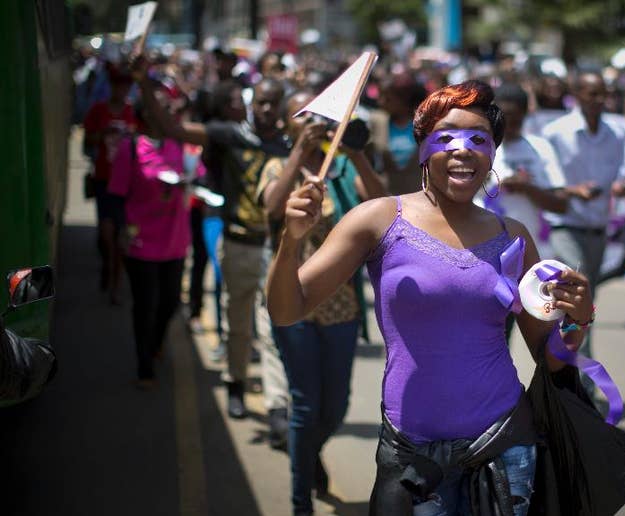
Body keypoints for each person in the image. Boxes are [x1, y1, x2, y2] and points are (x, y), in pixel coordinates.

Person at [266, 80, 595, 515]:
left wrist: (577, 320)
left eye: (479, 139)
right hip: (411, 455)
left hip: (503, 447)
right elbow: (286, 310)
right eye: (447, 138)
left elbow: (547, 356)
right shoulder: (378, 219)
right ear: (423, 147)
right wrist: (290, 242)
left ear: (493, 154)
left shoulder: (512, 237)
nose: (463, 150)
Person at [131, 56, 290, 421]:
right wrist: (143, 82)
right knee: (237, 327)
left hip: (273, 251)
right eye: (261, 102)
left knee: (271, 331)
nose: (266, 109)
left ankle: (277, 405)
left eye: (273, 103)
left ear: (280, 108)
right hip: (236, 246)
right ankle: (235, 384)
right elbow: (173, 129)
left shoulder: (287, 147)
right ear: (253, 104)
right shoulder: (229, 135)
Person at [257, 91, 386, 512]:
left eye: (319, 115)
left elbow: (383, 207)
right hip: (292, 301)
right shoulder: (279, 165)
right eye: (303, 115)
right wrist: (300, 151)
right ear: (290, 124)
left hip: (341, 306)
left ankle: (307, 456)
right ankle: (300, 502)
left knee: (336, 406)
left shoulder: (345, 167)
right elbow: (272, 209)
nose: (312, 121)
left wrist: (356, 152)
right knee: (306, 404)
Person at [108, 82, 204, 387]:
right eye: (163, 106)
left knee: (171, 301)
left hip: (175, 240)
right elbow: (116, 195)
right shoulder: (131, 147)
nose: (170, 111)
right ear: (147, 114)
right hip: (141, 241)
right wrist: (119, 229)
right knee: (145, 303)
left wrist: (188, 183)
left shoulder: (181, 146)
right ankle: (144, 364)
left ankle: (155, 343)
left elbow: (199, 179)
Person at [541, 71, 625, 375]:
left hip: (597, 230)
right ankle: (582, 377)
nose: (598, 100)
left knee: (585, 304)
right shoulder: (556, 132)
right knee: (577, 304)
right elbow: (547, 182)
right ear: (577, 95)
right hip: (567, 227)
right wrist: (574, 191)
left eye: (603, 94)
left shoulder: (615, 135)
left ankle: (562, 371)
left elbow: (617, 175)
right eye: (592, 94)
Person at [482, 82, 567, 258]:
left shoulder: (540, 148)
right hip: (484, 247)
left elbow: (561, 205)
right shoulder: (479, 146)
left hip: (530, 249)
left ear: (525, 114)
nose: (507, 122)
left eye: (514, 116)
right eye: (502, 115)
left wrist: (526, 188)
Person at [83, 64, 136, 304]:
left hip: (126, 183)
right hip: (104, 180)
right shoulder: (98, 110)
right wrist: (104, 133)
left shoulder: (133, 112)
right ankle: (107, 265)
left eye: (126, 86)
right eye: (118, 85)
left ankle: (115, 287)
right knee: (106, 236)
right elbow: (87, 140)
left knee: (121, 239)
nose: (122, 90)